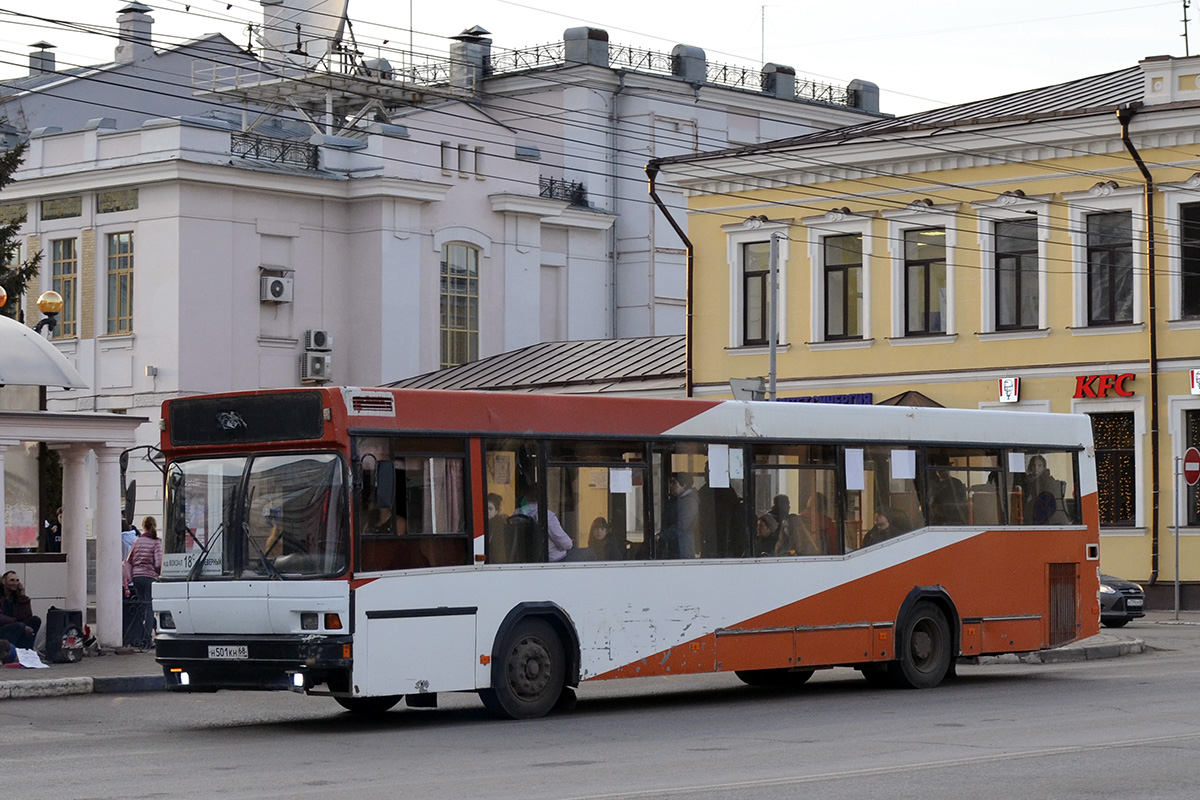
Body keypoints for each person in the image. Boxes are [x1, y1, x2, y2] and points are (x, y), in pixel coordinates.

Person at [126, 516, 163, 647]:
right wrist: (159, 574)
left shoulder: (137, 541)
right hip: (149, 577)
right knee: (149, 608)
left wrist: (130, 577)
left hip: (137, 578)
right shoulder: (156, 542)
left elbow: (129, 561)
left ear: (143, 526)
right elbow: (159, 563)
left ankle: (141, 634)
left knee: (141, 607)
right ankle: (147, 639)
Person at [516, 489, 573, 562]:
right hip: (554, 559)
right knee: (587, 553)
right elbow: (565, 543)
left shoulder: (517, 513)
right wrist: (570, 542)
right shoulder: (546, 515)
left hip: (526, 558)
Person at [658, 472, 698, 559]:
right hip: (674, 547)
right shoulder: (676, 500)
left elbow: (682, 525)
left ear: (683, 485)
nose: (671, 486)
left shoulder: (690, 502)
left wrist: (663, 536)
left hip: (683, 549)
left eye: (674, 483)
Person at [0, 571, 41, 651]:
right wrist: (17, 623)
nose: (15, 583)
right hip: (3, 629)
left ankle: (27, 651)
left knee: (35, 620)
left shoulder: (16, 596)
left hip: (16, 626)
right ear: (4, 582)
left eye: (17, 580)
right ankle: (10, 652)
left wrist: (22, 597)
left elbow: (27, 616)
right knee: (19, 626)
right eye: (12, 580)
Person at [1023, 455, 1067, 524]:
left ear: (1044, 467)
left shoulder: (1047, 481)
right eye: (1033, 465)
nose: (1036, 468)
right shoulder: (1029, 481)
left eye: (1039, 466)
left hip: (1047, 516)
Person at [927, 460, 968, 525]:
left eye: (943, 470)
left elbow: (962, 499)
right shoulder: (935, 484)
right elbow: (932, 500)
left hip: (954, 517)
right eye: (939, 471)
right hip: (938, 517)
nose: (941, 473)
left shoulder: (956, 483)